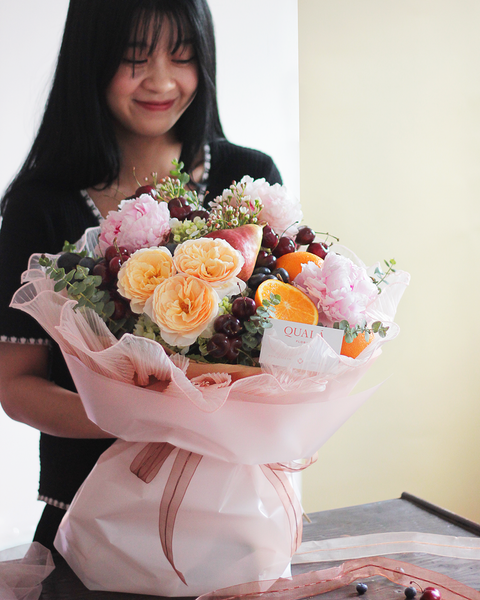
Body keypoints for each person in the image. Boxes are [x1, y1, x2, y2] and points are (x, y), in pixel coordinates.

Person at [0, 0, 282, 551]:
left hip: (227, 516)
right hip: (90, 517)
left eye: (182, 57)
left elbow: (283, 347)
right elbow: (15, 385)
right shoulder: (42, 204)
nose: (161, 81)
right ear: (91, 61)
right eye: (134, 57)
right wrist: (148, 418)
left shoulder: (247, 180)